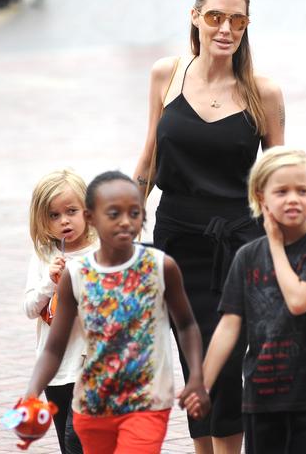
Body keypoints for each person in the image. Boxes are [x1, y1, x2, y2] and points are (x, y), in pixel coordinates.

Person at [132, 0, 284, 454]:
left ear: (246, 26)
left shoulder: (264, 92)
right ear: (195, 17)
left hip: (240, 242)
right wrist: (121, 234)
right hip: (176, 238)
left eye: (237, 20)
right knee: (194, 358)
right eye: (215, 16)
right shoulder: (167, 74)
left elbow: (280, 179)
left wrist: (293, 248)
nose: (225, 28)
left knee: (230, 361)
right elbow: (150, 158)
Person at [23, 171, 210, 454]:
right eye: (113, 213)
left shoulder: (161, 267)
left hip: (142, 395)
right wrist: (31, 392)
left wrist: (196, 377)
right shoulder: (77, 272)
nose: (124, 221)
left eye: (133, 213)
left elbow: (185, 325)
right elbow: (55, 345)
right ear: (93, 217)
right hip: (87, 394)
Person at [200, 147, 306, 454]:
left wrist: (276, 246)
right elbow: (229, 325)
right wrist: (202, 385)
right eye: (281, 191)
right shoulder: (247, 255)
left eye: (302, 190)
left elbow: (298, 301)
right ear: (261, 196)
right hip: (261, 397)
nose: (293, 198)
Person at [24, 169, 97, 454]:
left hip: (92, 363)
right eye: (54, 215)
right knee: (69, 444)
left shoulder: (102, 250)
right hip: (56, 368)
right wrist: (50, 282)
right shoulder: (45, 255)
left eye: (71, 211)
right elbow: (30, 308)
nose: (64, 220)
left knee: (77, 439)